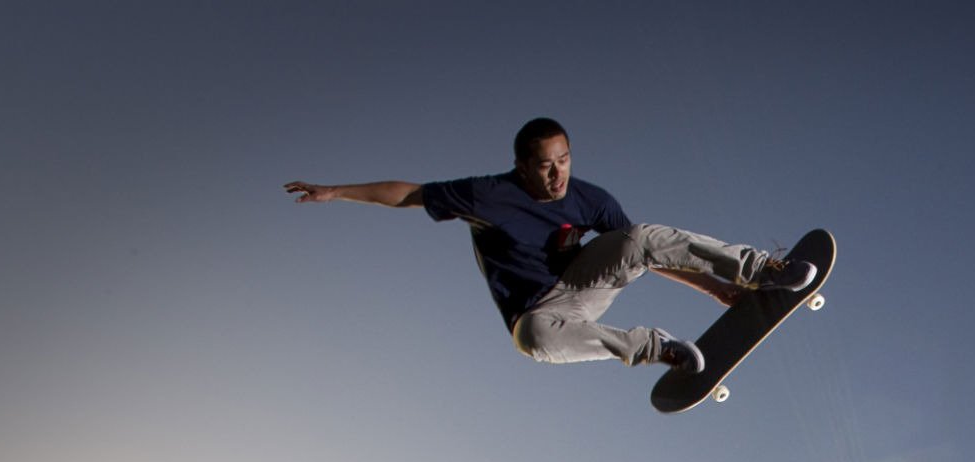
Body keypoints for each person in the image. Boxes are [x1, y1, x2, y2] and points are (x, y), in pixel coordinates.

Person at [284, 117, 817, 376]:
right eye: (545, 165)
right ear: (522, 166)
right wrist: (336, 192)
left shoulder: (590, 197)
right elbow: (406, 194)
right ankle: (655, 348)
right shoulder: (485, 194)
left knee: (641, 234)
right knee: (530, 338)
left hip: (585, 284)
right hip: (541, 310)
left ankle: (759, 268)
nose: (558, 173)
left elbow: (652, 253)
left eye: (564, 159)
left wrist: (715, 289)